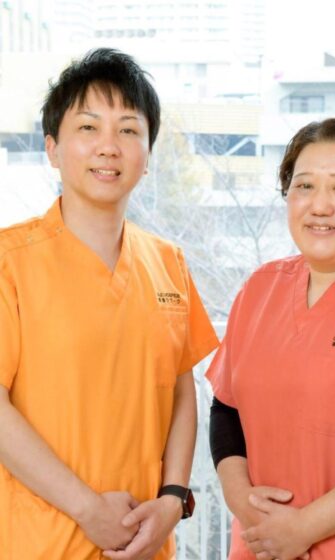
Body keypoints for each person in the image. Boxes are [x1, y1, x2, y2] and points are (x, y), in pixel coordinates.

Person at [0, 48, 218, 560]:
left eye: (128, 130)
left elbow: (181, 393)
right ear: (52, 149)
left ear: (148, 155)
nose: (109, 147)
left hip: (143, 542)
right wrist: (87, 509)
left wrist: (172, 500)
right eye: (88, 127)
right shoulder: (10, 261)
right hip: (39, 543)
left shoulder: (168, 263)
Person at [206, 117, 335, 560]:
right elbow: (226, 407)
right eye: (304, 186)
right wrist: (240, 497)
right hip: (261, 545)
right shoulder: (260, 288)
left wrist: (304, 528)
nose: (319, 206)